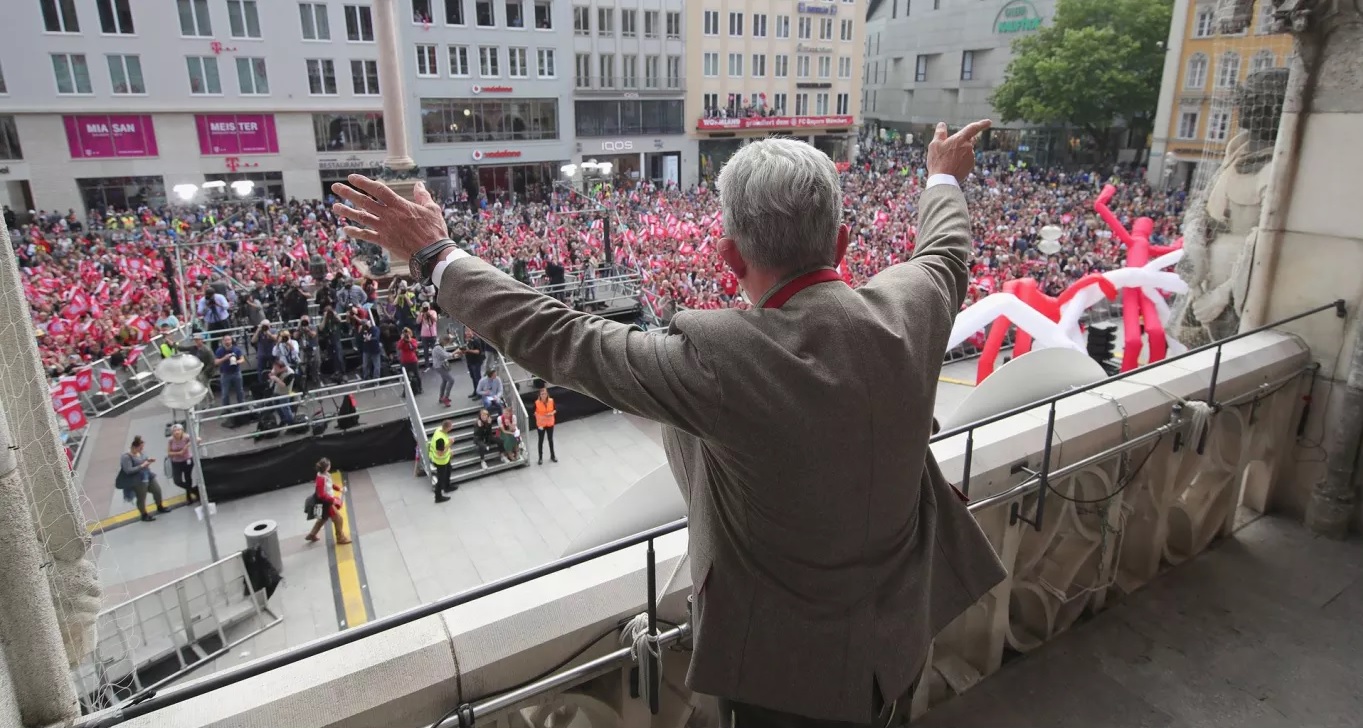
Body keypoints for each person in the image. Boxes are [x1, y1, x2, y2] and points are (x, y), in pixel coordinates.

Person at [332, 122, 1007, 727]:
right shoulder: (913, 309)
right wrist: (941, 174)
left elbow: (559, 337)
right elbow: (944, 248)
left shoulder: (721, 363)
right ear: (840, 241)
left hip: (783, 679)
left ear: (729, 259)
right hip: (900, 637)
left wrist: (435, 255)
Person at [120, 436, 168, 522]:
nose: (142, 449)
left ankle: (159, 506)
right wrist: (142, 466)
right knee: (142, 497)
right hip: (138, 480)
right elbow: (128, 470)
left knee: (157, 490)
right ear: (134, 447)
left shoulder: (141, 452)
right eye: (140, 448)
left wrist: (148, 460)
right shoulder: (126, 457)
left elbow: (144, 459)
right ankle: (144, 514)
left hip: (148, 475)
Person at [305, 458, 351, 544]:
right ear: (326, 467)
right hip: (326, 503)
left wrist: (339, 489)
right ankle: (340, 538)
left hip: (325, 501)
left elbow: (330, 484)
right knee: (338, 519)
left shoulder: (324, 475)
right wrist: (332, 500)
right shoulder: (321, 479)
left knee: (323, 518)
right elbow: (321, 494)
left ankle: (312, 534)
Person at [165, 424, 199, 503]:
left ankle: (188, 496)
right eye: (174, 431)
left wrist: (187, 445)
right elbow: (169, 453)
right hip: (176, 462)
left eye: (178, 430)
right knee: (177, 481)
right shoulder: (170, 440)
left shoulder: (186, 437)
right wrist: (179, 453)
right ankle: (194, 490)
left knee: (188, 478)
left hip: (187, 460)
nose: (176, 432)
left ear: (182, 431)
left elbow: (198, 439)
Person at [214, 335, 246, 408]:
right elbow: (216, 362)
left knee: (240, 390)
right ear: (223, 341)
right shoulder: (219, 350)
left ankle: (242, 406)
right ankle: (226, 408)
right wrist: (224, 358)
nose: (227, 342)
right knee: (225, 393)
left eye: (229, 340)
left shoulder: (236, 349)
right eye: (225, 340)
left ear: (231, 341)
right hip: (225, 374)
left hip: (236, 372)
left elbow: (242, 359)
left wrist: (237, 362)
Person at [428, 420, 455, 502]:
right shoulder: (440, 439)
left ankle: (447, 486)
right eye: (451, 426)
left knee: (449, 470)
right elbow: (440, 453)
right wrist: (450, 444)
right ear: (447, 428)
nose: (452, 427)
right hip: (440, 461)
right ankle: (438, 496)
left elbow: (445, 443)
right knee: (441, 478)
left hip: (446, 459)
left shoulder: (439, 429)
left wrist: (449, 450)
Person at [432, 333, 458, 406]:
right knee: (451, 380)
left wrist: (453, 355)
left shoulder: (440, 346)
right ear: (444, 341)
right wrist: (455, 352)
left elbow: (444, 354)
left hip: (441, 365)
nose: (447, 344)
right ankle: (446, 397)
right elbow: (445, 355)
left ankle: (441, 397)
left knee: (445, 381)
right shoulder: (438, 348)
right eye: (447, 342)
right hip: (439, 366)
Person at [534, 383, 557, 464]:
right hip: (541, 424)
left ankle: (553, 456)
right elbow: (534, 413)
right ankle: (540, 458)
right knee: (540, 441)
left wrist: (552, 413)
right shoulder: (536, 403)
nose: (543, 395)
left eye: (544, 393)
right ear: (540, 395)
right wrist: (539, 417)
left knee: (550, 440)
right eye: (542, 394)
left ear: (547, 394)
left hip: (550, 423)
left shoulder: (551, 401)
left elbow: (555, 410)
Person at [461, 327, 487, 398]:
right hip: (470, 361)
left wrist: (468, 351)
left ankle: (480, 394)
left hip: (476, 362)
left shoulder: (476, 340)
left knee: (477, 378)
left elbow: (478, 351)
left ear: (472, 332)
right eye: (466, 331)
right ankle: (475, 391)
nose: (467, 333)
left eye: (469, 331)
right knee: (473, 377)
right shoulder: (467, 340)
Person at [397, 327, 423, 395]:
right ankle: (406, 390)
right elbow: (399, 347)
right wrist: (402, 340)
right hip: (404, 361)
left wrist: (409, 340)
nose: (406, 335)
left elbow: (414, 347)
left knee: (417, 375)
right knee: (405, 377)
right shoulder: (401, 341)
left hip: (413, 360)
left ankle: (419, 388)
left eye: (408, 333)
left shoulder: (413, 340)